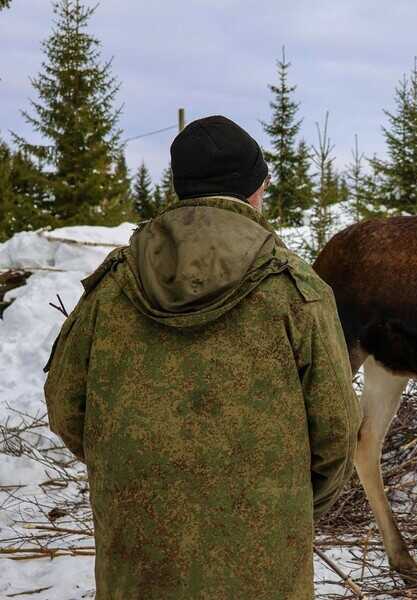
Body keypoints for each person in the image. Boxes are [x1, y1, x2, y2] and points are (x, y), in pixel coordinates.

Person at [44, 115, 360, 600]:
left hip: (140, 554)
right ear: (258, 188)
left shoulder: (113, 285)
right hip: (264, 561)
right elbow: (336, 427)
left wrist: (133, 478)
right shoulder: (295, 290)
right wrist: (285, 507)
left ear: (180, 187)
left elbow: (67, 404)